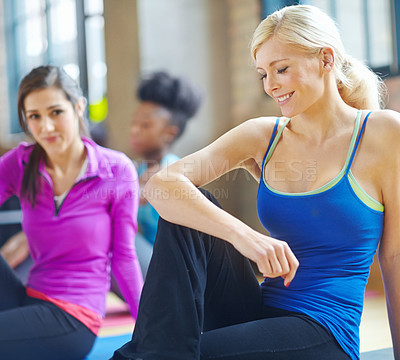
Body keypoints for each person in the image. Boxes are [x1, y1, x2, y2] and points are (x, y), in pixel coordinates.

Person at [111, 4, 400, 360]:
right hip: (259, 310)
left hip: (324, 331)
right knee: (186, 206)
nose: (271, 85)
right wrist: (245, 236)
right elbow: (160, 186)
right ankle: (155, 352)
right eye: (264, 74)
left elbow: (394, 256)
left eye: (281, 69)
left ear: (325, 59)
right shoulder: (265, 135)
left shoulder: (385, 133)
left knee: (183, 354)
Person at [0, 65, 143, 360]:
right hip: (29, 299)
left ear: (78, 107)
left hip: (74, 317)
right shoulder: (21, 163)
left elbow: (124, 257)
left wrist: (151, 329)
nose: (46, 127)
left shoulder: (116, 170)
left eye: (56, 112)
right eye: (34, 117)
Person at [130, 71, 203, 277]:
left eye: (145, 125)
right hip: (153, 261)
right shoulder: (138, 170)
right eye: (134, 123)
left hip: (175, 271)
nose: (134, 130)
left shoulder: (173, 170)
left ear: (169, 133)